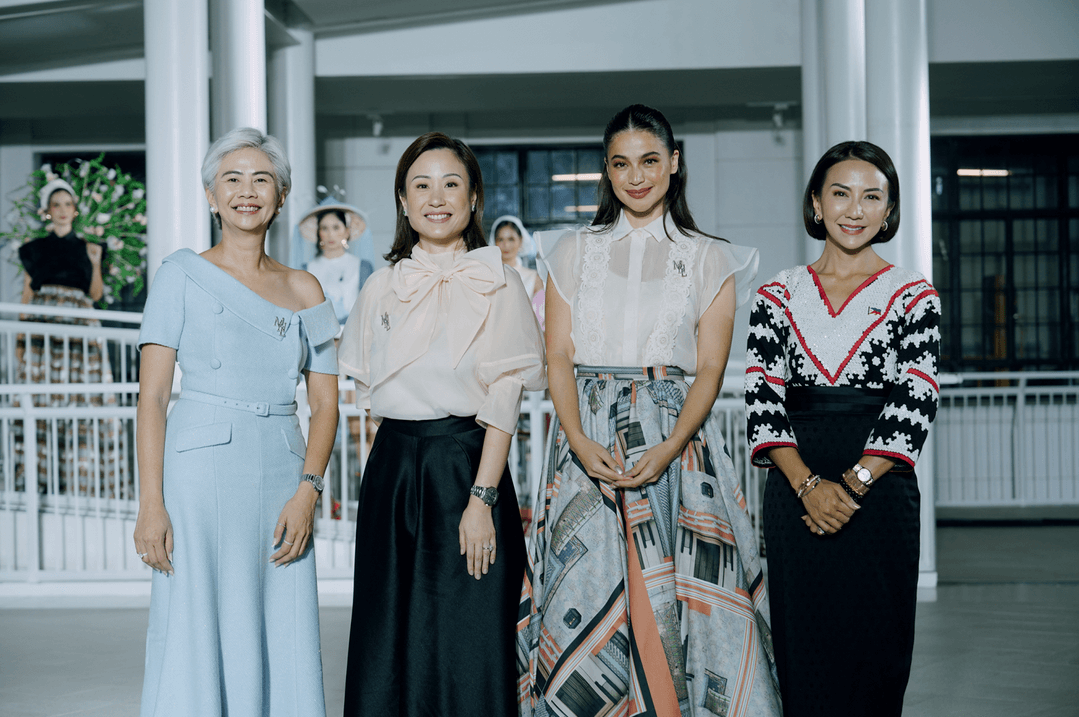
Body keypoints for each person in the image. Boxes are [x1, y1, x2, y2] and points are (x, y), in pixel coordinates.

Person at [518, 104, 781, 717]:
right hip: (583, 441)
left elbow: (711, 369)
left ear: (674, 163)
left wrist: (668, 447)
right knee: (586, 588)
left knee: (688, 600)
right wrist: (578, 441)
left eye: (649, 161)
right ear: (606, 172)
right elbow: (557, 354)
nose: (636, 176)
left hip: (676, 439)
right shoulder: (568, 252)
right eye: (620, 164)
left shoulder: (712, 256)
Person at [337, 131, 545, 716]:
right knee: (388, 628)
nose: (436, 197)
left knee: (470, 632)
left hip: (467, 465)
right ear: (402, 201)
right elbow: (368, 394)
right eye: (420, 185)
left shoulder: (500, 282)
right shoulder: (381, 285)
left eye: (451, 183)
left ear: (474, 197)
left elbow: (505, 400)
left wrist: (480, 497)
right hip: (393, 471)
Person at [133, 127, 340, 716]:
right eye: (233, 178)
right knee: (195, 612)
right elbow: (151, 400)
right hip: (197, 473)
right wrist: (151, 502)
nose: (247, 191)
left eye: (262, 180)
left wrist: (309, 489)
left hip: (281, 467)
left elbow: (325, 404)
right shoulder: (178, 275)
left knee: (281, 611)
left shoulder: (307, 289)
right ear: (210, 195)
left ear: (281, 195)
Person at [744, 141, 940, 716]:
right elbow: (762, 398)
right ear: (816, 202)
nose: (855, 209)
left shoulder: (913, 294)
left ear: (889, 210)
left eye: (872, 196)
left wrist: (852, 483)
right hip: (793, 485)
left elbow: (916, 396)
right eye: (841, 193)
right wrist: (809, 484)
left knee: (878, 651)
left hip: (880, 492)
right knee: (804, 650)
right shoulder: (775, 295)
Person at [13, 178, 117, 496]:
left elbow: (95, 293)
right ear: (47, 211)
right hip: (43, 325)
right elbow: (28, 292)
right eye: (55, 205)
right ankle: (34, 481)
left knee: (82, 397)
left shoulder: (89, 248)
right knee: (40, 395)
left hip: (79, 327)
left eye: (67, 204)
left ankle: (81, 485)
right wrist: (21, 337)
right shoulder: (34, 249)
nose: (61, 210)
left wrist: (96, 262)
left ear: (75, 211)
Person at [298, 199, 375, 325]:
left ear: (347, 231)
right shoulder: (306, 269)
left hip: (352, 336)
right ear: (319, 233)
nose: (330, 234)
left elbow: (368, 310)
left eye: (336, 227)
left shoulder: (362, 267)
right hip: (317, 339)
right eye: (324, 228)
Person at [492, 214, 542, 300]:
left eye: (511, 239)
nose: (506, 245)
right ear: (494, 242)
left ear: (521, 240)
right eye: (500, 239)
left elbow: (539, 312)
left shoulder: (533, 278)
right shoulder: (487, 276)